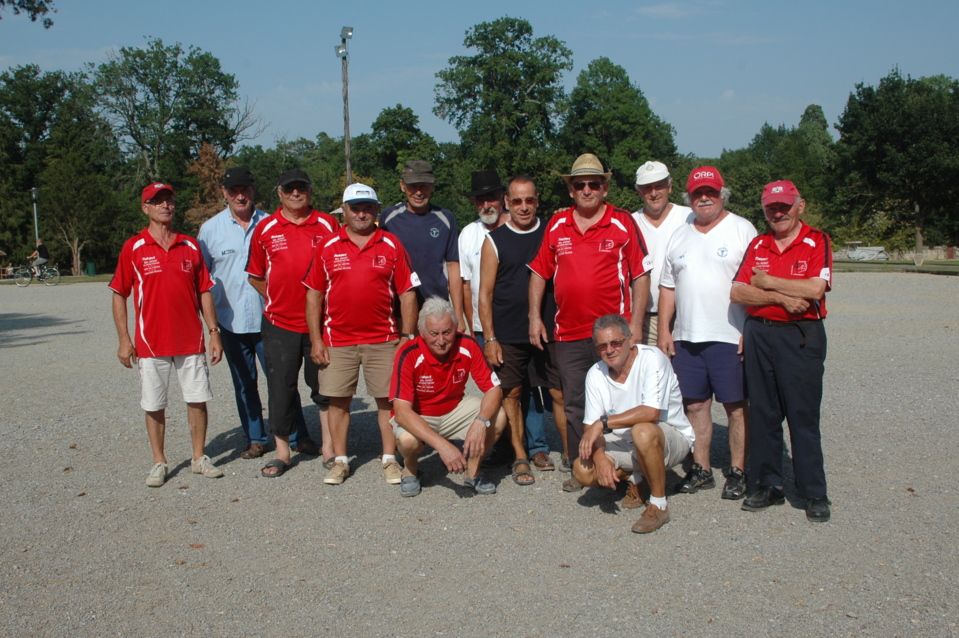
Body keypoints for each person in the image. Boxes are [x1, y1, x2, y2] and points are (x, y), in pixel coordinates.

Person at [528, 153, 652, 492]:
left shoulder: (622, 222)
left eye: (593, 184)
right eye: (580, 184)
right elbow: (539, 273)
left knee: (623, 399)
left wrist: (636, 324)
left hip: (613, 335)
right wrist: (534, 316)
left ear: (604, 188)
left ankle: (632, 469)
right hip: (568, 332)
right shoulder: (557, 224)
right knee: (575, 404)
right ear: (570, 189)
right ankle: (582, 466)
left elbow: (641, 275)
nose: (587, 190)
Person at [109, 182, 224, 487]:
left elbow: (204, 290)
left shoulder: (190, 246)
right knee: (154, 403)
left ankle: (199, 457)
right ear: (145, 208)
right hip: (151, 342)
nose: (165, 205)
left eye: (169, 200)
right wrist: (124, 340)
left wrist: (214, 332)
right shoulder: (134, 247)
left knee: (197, 399)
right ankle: (159, 461)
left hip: (190, 340)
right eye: (157, 201)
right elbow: (119, 293)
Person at [198, 167, 318, 460]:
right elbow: (202, 281)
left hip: (270, 319)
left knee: (282, 382)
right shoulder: (210, 230)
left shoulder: (270, 222)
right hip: (231, 320)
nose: (240, 196)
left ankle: (297, 435)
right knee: (244, 384)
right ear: (224, 193)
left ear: (253, 190)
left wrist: (276, 299)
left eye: (245, 190)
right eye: (234, 191)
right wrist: (212, 329)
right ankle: (255, 437)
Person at [304, 183, 419, 486]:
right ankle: (340, 461)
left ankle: (389, 458)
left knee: (388, 402)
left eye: (368, 207)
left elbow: (407, 293)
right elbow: (314, 294)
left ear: (376, 210)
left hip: (384, 339)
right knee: (338, 402)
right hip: (337, 340)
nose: (361, 213)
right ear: (344, 211)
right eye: (355, 208)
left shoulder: (391, 243)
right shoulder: (328, 245)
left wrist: (407, 336)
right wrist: (315, 339)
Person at [731, 180, 833, 522]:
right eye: (771, 208)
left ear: (799, 206)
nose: (778, 213)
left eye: (784, 206)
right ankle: (768, 484)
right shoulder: (758, 243)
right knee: (764, 413)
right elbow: (738, 292)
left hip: (801, 334)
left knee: (803, 415)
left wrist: (768, 281)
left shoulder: (816, 240)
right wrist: (783, 298)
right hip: (760, 332)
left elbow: (815, 289)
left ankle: (813, 492)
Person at [658, 166, 757, 500]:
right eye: (697, 193)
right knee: (695, 406)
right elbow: (668, 287)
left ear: (722, 194)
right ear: (688, 197)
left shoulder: (742, 229)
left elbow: (755, 283)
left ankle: (738, 471)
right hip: (687, 338)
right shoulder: (680, 234)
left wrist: (750, 327)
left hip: (729, 335)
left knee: (736, 408)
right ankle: (701, 469)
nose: (704, 198)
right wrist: (665, 330)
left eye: (710, 192)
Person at [246, 169, 339, 478]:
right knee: (281, 388)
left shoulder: (328, 224)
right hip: (280, 323)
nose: (295, 194)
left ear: (310, 191)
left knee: (324, 387)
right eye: (289, 189)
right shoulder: (266, 228)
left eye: (301, 188)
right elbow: (255, 275)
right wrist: (277, 296)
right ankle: (283, 453)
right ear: (279, 193)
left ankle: (329, 448)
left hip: (321, 325)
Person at [478, 176, 568, 485]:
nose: (524, 207)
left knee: (559, 392)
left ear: (537, 200)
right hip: (509, 330)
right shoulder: (494, 240)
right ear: (507, 202)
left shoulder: (552, 231)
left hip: (550, 327)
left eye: (529, 200)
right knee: (512, 393)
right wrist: (490, 338)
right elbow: (484, 294)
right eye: (517, 201)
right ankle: (519, 455)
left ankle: (569, 453)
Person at [574, 315, 695, 532]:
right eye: (602, 346)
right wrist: (600, 457)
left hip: (669, 435)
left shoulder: (652, 358)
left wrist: (603, 423)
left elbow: (651, 412)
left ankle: (659, 505)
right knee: (582, 470)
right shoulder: (595, 373)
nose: (609, 350)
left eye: (616, 342)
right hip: (626, 439)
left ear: (630, 340)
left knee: (642, 430)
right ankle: (636, 477)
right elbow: (589, 426)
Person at [390, 297, 508, 497]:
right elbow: (401, 412)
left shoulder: (467, 344)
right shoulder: (408, 353)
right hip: (419, 415)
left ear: (455, 327)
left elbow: (493, 390)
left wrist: (480, 422)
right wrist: (443, 446)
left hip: (453, 410)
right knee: (408, 441)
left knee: (499, 416)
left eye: (447, 332)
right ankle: (410, 469)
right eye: (433, 334)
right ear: (421, 331)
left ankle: (473, 471)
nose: (441, 340)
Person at [380, 160, 464, 323]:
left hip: (437, 308)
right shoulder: (389, 218)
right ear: (402, 186)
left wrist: (459, 316)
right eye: (413, 186)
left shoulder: (446, 219)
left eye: (424, 186)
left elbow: (453, 266)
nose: (418, 192)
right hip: (399, 308)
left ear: (432, 186)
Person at [632, 161, 692, 346]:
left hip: (685, 316)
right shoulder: (631, 222)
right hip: (644, 319)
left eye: (659, 186)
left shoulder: (689, 217)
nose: (654, 193)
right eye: (647, 188)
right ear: (639, 191)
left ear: (670, 186)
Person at [458, 169, 508, 344]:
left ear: (503, 197)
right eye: (480, 200)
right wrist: (473, 328)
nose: (486, 205)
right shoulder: (467, 234)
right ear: (474, 202)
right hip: (482, 329)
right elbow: (466, 286)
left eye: (491, 198)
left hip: (517, 323)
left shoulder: (517, 227)